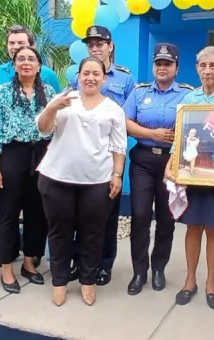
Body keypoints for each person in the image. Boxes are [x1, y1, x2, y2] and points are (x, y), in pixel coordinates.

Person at [36, 56, 127, 307]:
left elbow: (119, 146)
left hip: (97, 181)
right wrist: (53, 106)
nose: (90, 78)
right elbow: (43, 128)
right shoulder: (65, 100)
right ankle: (59, 282)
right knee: (59, 232)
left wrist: (117, 175)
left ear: (104, 78)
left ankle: (88, 281)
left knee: (93, 234)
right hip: (57, 178)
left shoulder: (113, 109)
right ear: (78, 75)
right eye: (86, 73)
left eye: (96, 73)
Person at [164, 46, 214, 311]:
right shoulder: (188, 100)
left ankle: (211, 283)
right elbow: (180, 137)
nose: (207, 70)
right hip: (193, 172)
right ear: (196, 68)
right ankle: (189, 281)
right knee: (193, 226)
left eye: (212, 66)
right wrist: (170, 165)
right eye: (202, 65)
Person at [0, 46, 55, 294]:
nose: (26, 62)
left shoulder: (49, 92)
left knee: (37, 213)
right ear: (14, 65)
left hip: (41, 155)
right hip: (12, 155)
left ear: (39, 66)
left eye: (31, 59)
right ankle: (6, 268)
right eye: (20, 59)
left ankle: (29, 263)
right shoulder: (2, 93)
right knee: (9, 214)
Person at [122, 43, 192, 295]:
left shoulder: (186, 94)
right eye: (158, 63)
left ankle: (159, 267)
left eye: (167, 64)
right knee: (140, 216)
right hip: (142, 160)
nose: (162, 68)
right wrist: (152, 133)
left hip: (172, 163)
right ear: (153, 66)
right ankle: (139, 271)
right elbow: (125, 122)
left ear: (176, 68)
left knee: (167, 218)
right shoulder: (139, 93)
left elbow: (196, 122)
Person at [69, 25, 135, 286]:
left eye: (100, 43)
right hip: (81, 154)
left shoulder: (125, 79)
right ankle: (78, 261)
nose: (95, 47)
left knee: (107, 214)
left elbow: (128, 118)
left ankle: (103, 264)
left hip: (111, 154)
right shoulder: (77, 77)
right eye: (90, 44)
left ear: (110, 47)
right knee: (78, 212)